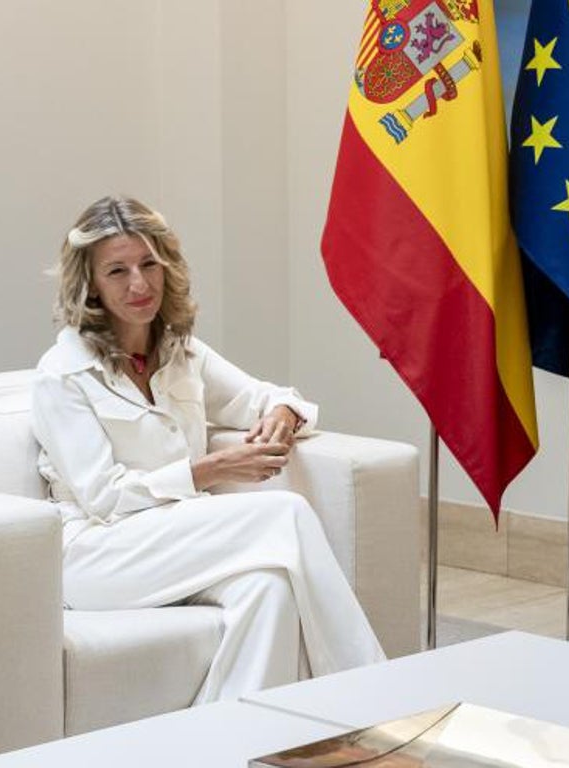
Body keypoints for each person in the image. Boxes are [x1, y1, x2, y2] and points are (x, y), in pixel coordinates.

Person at [32, 195, 385, 703]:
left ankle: (226, 747)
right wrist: (208, 470)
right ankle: (374, 702)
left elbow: (272, 397)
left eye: (149, 263)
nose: (139, 283)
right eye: (117, 271)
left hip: (178, 541)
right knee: (283, 514)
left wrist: (282, 416)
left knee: (270, 590)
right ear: (90, 285)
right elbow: (103, 499)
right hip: (94, 556)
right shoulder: (61, 374)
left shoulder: (181, 352)